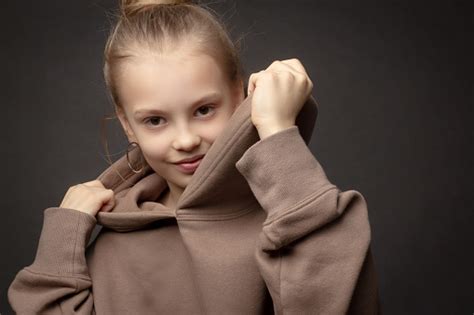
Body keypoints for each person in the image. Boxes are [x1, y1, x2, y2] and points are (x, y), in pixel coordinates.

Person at [7, 0, 382, 314]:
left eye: (204, 110)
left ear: (240, 94)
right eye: (155, 120)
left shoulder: (290, 216)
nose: (185, 140)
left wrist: (277, 131)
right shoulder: (111, 238)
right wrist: (63, 239)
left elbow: (338, 299)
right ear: (127, 124)